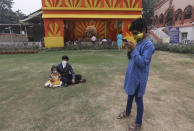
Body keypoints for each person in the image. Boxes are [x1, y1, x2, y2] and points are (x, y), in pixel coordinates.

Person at [117, 18, 155, 131]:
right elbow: (132, 59)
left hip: (139, 78)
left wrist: (133, 50)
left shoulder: (148, 46)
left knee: (138, 99)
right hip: (132, 76)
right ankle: (127, 112)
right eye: (132, 33)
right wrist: (129, 51)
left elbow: (142, 63)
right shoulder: (138, 43)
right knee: (130, 95)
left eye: (135, 33)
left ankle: (138, 123)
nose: (133, 36)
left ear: (143, 30)